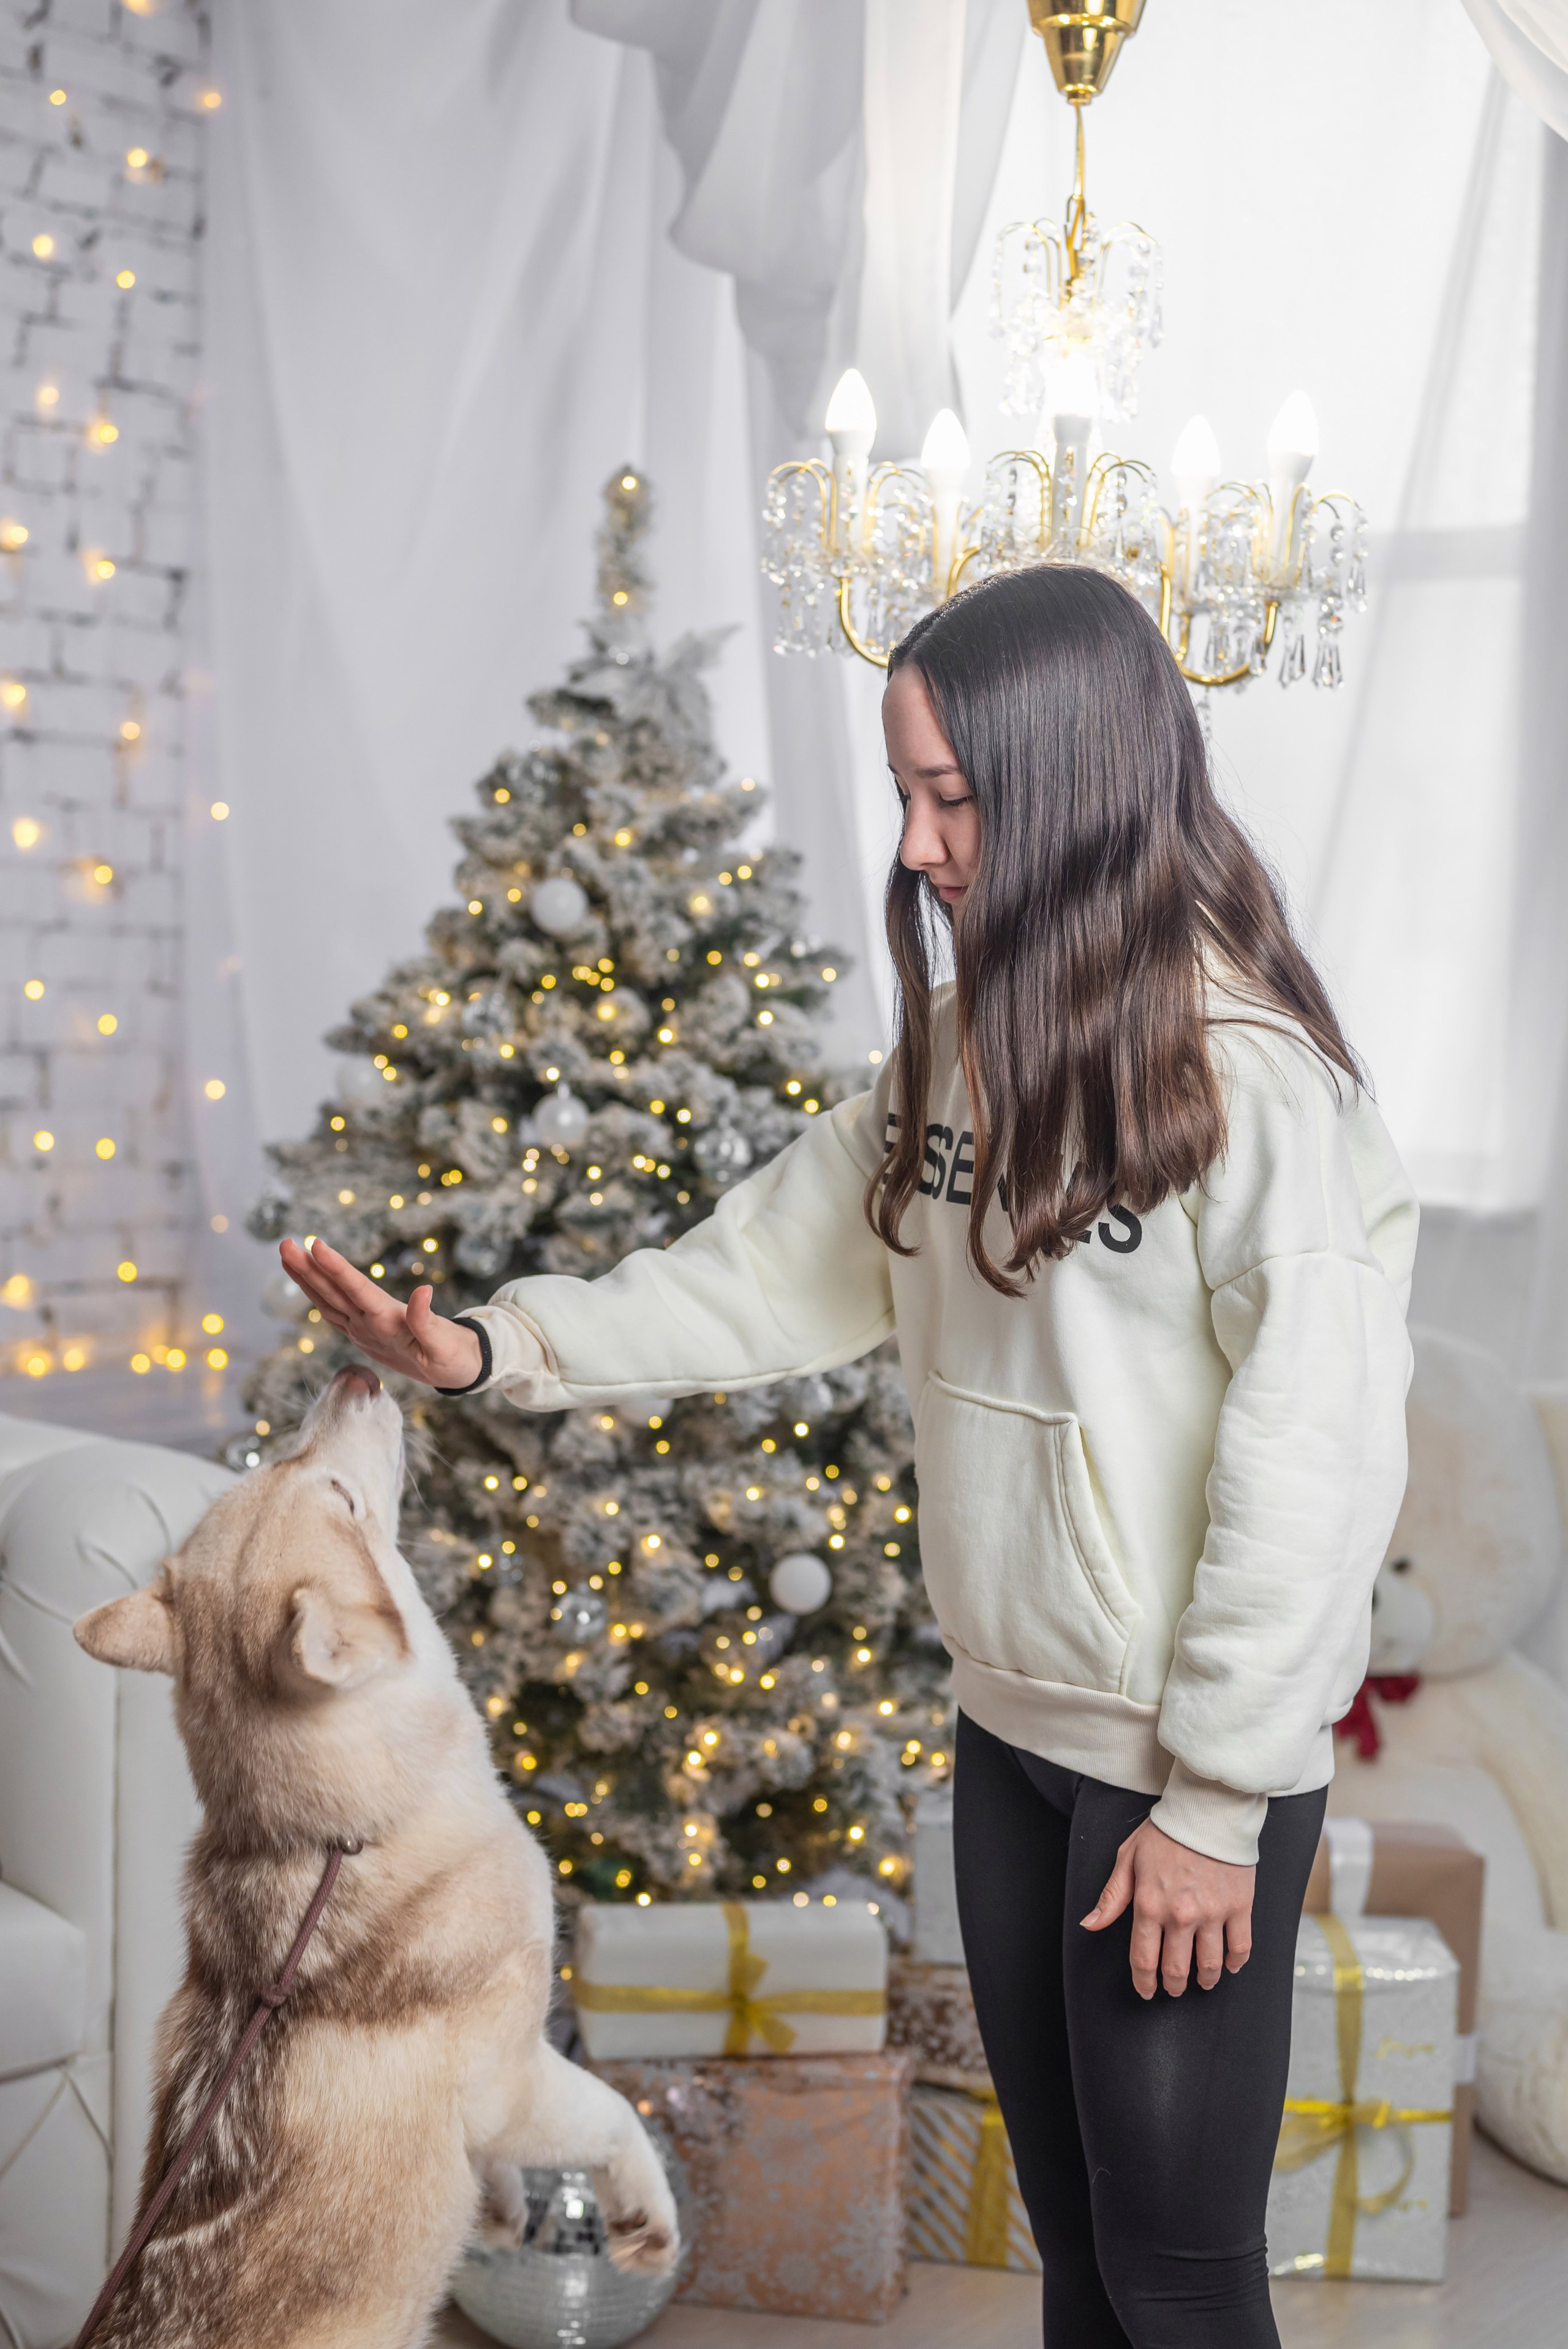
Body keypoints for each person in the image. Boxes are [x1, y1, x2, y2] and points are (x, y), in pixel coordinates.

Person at [284, 564, 1417, 2348]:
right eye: (905, 792)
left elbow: (1318, 1460)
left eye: (953, 796)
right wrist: (489, 1344)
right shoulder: (965, 1055)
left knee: (1179, 2269)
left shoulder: (1255, 1087)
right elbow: (756, 1276)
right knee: (1077, 2245)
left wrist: (1215, 1797)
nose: (916, 845)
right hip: (1013, 1735)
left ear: (1077, 783)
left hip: (1178, 1778)